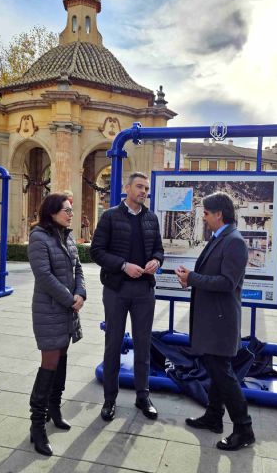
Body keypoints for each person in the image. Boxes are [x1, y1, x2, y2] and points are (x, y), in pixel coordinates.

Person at [175, 192, 255, 451]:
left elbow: (227, 283)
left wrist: (193, 278)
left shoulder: (234, 242)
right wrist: (192, 278)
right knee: (217, 371)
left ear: (219, 214)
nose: (204, 218)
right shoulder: (221, 238)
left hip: (220, 320)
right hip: (213, 318)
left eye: (206, 213)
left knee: (223, 374)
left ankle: (244, 428)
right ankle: (213, 416)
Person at [90, 172, 164, 422]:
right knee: (113, 344)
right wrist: (123, 265)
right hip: (116, 289)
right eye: (140, 187)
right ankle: (109, 400)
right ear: (127, 188)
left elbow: (159, 249)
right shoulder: (110, 216)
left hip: (144, 290)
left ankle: (143, 396)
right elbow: (97, 252)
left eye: (146, 188)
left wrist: (156, 260)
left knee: (143, 344)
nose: (144, 192)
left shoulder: (151, 218)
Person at [27, 193, 86, 456]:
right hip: (49, 309)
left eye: (71, 209)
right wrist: (69, 299)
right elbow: (44, 276)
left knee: (62, 356)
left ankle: (55, 409)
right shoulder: (39, 237)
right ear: (52, 212)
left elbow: (79, 268)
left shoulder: (66, 234)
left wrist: (81, 293)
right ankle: (36, 426)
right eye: (66, 210)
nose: (71, 213)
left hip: (68, 307)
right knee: (49, 362)